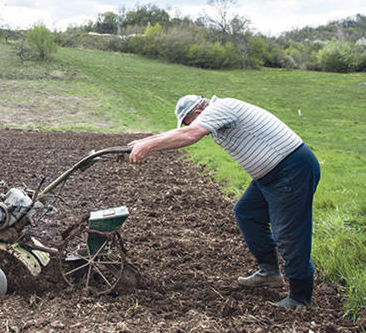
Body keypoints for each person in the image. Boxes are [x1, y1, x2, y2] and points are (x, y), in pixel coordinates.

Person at [128, 95, 320, 308]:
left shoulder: (221, 107)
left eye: (188, 122)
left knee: (289, 233)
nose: (189, 126)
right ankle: (270, 272)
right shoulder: (216, 112)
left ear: (199, 114)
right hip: (270, 177)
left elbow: (190, 135)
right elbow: (182, 132)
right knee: (247, 213)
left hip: (290, 170)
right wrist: (144, 142)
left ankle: (300, 297)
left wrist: (149, 147)